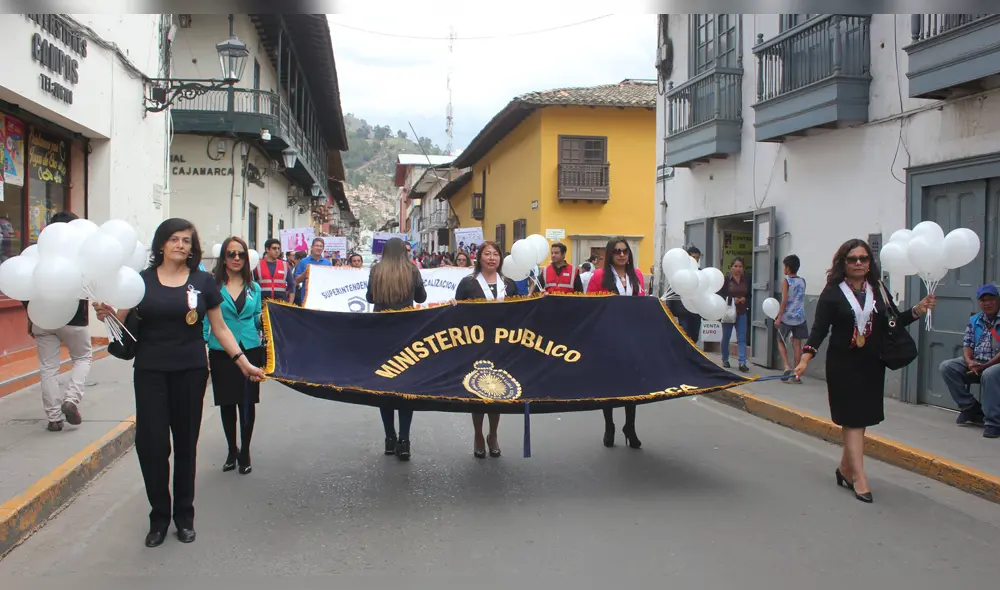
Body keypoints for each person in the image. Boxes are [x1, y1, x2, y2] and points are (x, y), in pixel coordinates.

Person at [95, 218, 265, 548]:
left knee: (186, 445)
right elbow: (123, 322)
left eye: (186, 240)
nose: (180, 245)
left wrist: (242, 362)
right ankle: (159, 516)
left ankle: (184, 516)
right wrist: (107, 315)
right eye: (174, 239)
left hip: (190, 372)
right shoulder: (140, 281)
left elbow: (220, 329)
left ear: (193, 247)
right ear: (161, 244)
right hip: (150, 373)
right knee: (152, 445)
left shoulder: (203, 281)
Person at [794, 239, 935, 503]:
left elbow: (892, 322)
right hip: (843, 365)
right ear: (843, 264)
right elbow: (819, 329)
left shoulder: (878, 289)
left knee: (862, 420)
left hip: (871, 364)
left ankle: (846, 470)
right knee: (853, 420)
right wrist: (805, 357)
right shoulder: (833, 292)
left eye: (864, 258)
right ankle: (860, 478)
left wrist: (917, 310)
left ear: (870, 262)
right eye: (853, 259)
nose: (859, 263)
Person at [26, 211, 92, 431]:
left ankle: (54, 419)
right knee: (83, 357)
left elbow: (23, 285)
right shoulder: (80, 254)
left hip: (42, 319)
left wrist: (31, 315)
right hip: (74, 320)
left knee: (48, 369)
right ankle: (71, 399)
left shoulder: (37, 253)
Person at [204, 236, 264, 475]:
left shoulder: (254, 288)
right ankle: (232, 449)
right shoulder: (213, 286)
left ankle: (246, 451)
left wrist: (273, 319)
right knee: (227, 402)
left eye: (241, 255)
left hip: (250, 348)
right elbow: (204, 320)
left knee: (247, 402)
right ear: (224, 258)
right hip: (221, 350)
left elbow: (257, 317)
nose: (236, 259)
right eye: (231, 254)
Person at [453, 241, 518, 458]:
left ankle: (494, 434)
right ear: (479, 258)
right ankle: (478, 435)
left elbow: (521, 310)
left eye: (495, 254)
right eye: (487, 254)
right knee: (478, 391)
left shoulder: (509, 284)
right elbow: (458, 315)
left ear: (500, 259)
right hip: (476, 345)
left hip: (502, 345)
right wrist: (454, 307)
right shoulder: (468, 283)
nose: (492, 258)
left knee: (498, 390)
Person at [366, 238, 427, 460]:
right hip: (406, 333)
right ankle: (405, 439)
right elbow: (422, 298)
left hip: (380, 333)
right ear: (403, 252)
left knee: (385, 386)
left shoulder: (376, 270)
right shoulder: (412, 270)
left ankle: (389, 439)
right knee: (405, 387)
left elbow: (370, 298)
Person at [586, 237, 646, 449]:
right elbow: (589, 307)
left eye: (625, 251)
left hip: (632, 337)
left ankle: (630, 426)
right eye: (617, 251)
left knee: (632, 384)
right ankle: (609, 425)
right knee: (609, 384)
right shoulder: (599, 276)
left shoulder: (637, 275)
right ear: (610, 254)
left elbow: (642, 304)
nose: (622, 255)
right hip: (607, 337)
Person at [938, 284, 1000, 439]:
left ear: (997, 300)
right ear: (979, 302)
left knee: (990, 374)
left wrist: (986, 366)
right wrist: (970, 361)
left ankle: (993, 423)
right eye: (983, 300)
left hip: (994, 364)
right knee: (947, 367)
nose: (988, 303)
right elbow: (967, 345)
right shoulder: (974, 320)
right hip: (978, 361)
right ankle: (970, 407)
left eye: (991, 299)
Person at [775, 254, 808, 383]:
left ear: (788, 268)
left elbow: (784, 300)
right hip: (800, 317)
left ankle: (786, 366)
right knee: (797, 344)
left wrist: (779, 317)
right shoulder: (802, 281)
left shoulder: (786, 281)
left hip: (787, 317)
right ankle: (796, 373)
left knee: (780, 340)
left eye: (784, 266)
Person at [718, 257, 750, 372]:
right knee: (726, 337)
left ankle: (742, 362)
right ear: (731, 267)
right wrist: (732, 300)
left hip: (741, 312)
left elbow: (750, 294)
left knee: (742, 338)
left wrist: (744, 299)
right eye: (735, 266)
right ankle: (725, 359)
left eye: (740, 266)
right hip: (729, 312)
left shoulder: (746, 279)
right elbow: (720, 295)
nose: (738, 269)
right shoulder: (726, 280)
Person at [668, 246, 702, 341]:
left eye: (697, 258)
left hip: (696, 311)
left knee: (694, 337)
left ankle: (690, 355)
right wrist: (670, 310)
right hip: (683, 311)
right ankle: (684, 355)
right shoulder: (679, 272)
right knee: (685, 335)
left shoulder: (700, 273)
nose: (695, 260)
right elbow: (672, 290)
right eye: (693, 257)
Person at [293, 238, 332, 305]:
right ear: (312, 247)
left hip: (323, 298)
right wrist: (306, 273)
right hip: (307, 298)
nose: (319, 248)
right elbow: (296, 281)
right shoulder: (303, 262)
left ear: (323, 248)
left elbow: (331, 281)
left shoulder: (328, 263)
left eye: (321, 246)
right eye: (316, 245)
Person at [255, 238, 294, 303]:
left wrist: (290, 304)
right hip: (263, 303)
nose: (277, 251)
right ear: (267, 249)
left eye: (278, 249)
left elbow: (292, 285)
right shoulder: (258, 265)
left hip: (281, 304)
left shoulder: (284, 265)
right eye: (274, 248)